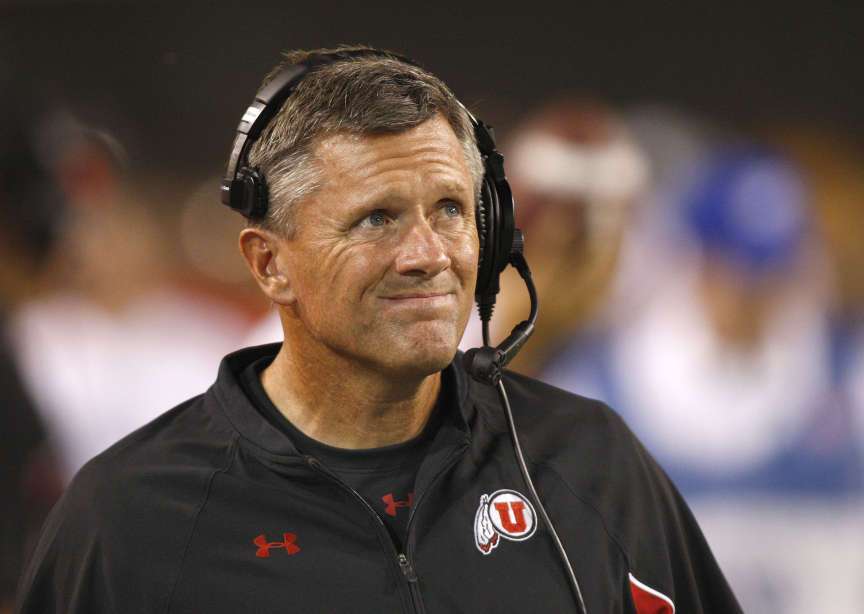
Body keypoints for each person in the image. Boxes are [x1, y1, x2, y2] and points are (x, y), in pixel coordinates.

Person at [16, 46, 740, 613]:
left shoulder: (592, 463)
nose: (429, 255)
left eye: (451, 210)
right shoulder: (131, 519)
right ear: (269, 263)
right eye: (377, 218)